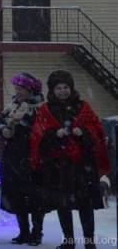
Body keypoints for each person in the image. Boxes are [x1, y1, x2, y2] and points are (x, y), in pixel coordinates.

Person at [30, 70, 110, 249]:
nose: (63, 91)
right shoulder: (46, 109)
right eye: (58, 88)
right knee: (63, 204)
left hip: (83, 165)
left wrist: (85, 132)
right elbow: (38, 134)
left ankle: (89, 241)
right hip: (59, 165)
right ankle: (69, 240)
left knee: (85, 204)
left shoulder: (83, 106)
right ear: (52, 90)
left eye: (66, 87)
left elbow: (97, 128)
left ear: (71, 88)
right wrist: (53, 133)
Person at [0, 72, 46, 245]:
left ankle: (37, 232)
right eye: (17, 88)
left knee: (34, 197)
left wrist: (25, 118)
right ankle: (23, 231)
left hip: (32, 156)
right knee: (17, 195)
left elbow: (43, 128)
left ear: (30, 90)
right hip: (13, 157)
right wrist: (3, 129)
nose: (18, 92)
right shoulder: (11, 106)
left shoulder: (39, 106)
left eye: (22, 89)